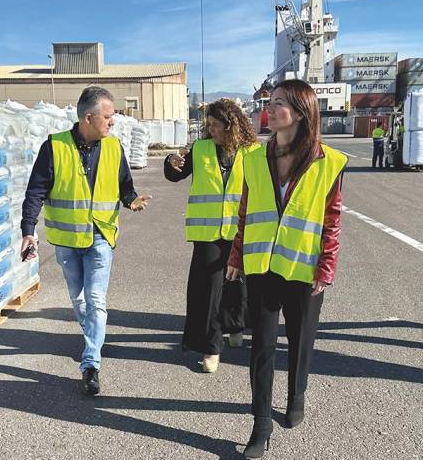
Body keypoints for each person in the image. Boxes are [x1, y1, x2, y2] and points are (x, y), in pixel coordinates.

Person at [225, 79, 346, 458]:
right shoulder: (252, 158)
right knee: (261, 347)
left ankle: (297, 394)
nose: (270, 108)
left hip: (304, 268)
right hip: (262, 266)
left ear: (301, 111)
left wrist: (326, 267)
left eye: (279, 103)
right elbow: (245, 212)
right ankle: (260, 426)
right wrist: (235, 257)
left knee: (300, 340)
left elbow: (332, 219)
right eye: (270, 102)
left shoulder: (329, 162)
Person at [20, 86, 153, 396]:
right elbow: (35, 192)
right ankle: (94, 335)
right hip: (67, 241)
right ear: (88, 117)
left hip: (100, 237)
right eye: (108, 116)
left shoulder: (114, 148)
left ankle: (91, 363)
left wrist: (131, 201)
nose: (113, 121)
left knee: (95, 300)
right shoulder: (54, 147)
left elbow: (125, 187)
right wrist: (28, 231)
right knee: (79, 300)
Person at [164, 99, 259, 373]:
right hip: (207, 233)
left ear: (232, 125)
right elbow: (175, 175)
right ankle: (211, 347)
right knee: (208, 291)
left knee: (237, 284)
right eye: (209, 125)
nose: (211, 130)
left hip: (241, 230)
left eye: (216, 125)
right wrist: (172, 163)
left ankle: (236, 325)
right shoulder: (201, 149)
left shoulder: (253, 152)